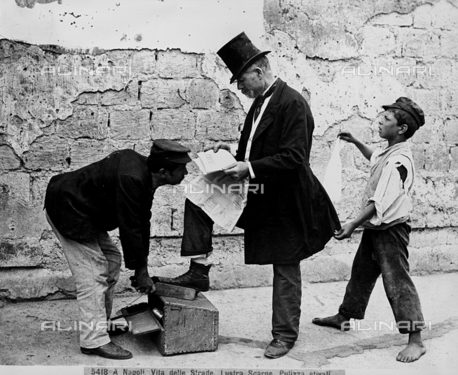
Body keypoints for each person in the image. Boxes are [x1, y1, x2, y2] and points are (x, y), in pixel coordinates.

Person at [155, 32, 341, 359]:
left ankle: (284, 336)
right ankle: (199, 272)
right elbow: (250, 152)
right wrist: (228, 154)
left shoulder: (293, 103)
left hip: (287, 200)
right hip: (258, 192)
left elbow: (295, 157)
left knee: (285, 266)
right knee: (198, 195)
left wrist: (248, 168)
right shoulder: (258, 105)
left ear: (258, 71)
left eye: (241, 81)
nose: (239, 88)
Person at [44, 140, 191, 360]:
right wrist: (141, 273)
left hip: (85, 211)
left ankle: (100, 324)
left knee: (111, 260)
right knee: (93, 274)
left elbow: (142, 222)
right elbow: (129, 227)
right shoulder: (131, 178)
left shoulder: (145, 174)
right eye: (182, 169)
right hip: (68, 208)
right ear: (164, 172)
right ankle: (93, 341)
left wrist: (142, 269)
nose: (187, 172)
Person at [312, 97, 427, 363]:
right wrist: (354, 141)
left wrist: (352, 223)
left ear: (401, 129)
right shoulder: (389, 152)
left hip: (391, 232)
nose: (380, 122)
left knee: (397, 282)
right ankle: (344, 316)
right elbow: (374, 158)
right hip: (377, 228)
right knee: (361, 273)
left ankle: (416, 339)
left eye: (386, 120)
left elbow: (380, 202)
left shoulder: (399, 161)